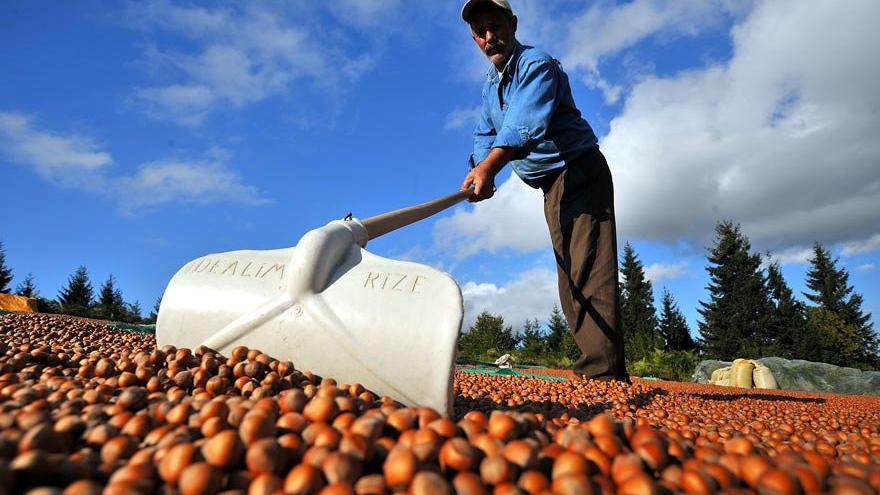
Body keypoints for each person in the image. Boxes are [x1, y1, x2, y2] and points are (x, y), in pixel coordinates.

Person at [460, 0, 628, 381]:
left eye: (496, 26)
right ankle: (605, 372)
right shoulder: (491, 86)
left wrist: (490, 168)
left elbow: (523, 125)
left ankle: (601, 377)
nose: (490, 37)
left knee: (587, 269)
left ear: (513, 24)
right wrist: (478, 169)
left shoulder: (536, 65)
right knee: (570, 275)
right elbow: (485, 133)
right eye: (481, 32)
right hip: (551, 184)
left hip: (578, 170)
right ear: (475, 39)